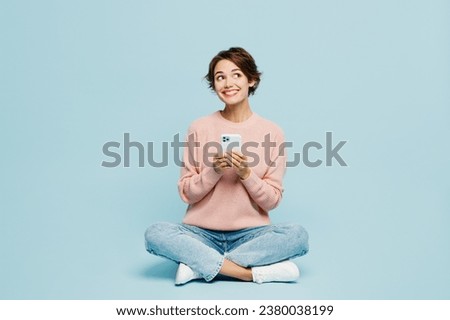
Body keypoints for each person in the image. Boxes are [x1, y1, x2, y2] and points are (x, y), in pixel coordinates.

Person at [145, 47, 309, 285]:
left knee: (297, 236)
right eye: (220, 77)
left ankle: (200, 266)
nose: (227, 82)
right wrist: (214, 171)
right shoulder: (199, 128)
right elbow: (186, 192)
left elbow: (272, 200)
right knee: (155, 233)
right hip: (201, 233)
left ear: (251, 80)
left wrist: (246, 174)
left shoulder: (272, 132)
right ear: (214, 85)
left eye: (236, 75)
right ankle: (248, 273)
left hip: (251, 235)